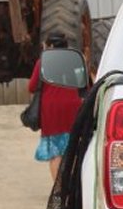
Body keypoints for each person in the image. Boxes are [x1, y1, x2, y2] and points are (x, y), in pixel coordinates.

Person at [29, 32, 83, 180]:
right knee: (72, 149)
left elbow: (32, 87)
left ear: (50, 46)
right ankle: (71, 185)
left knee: (55, 152)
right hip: (73, 106)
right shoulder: (74, 60)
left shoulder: (43, 62)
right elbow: (83, 83)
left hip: (51, 109)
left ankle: (58, 189)